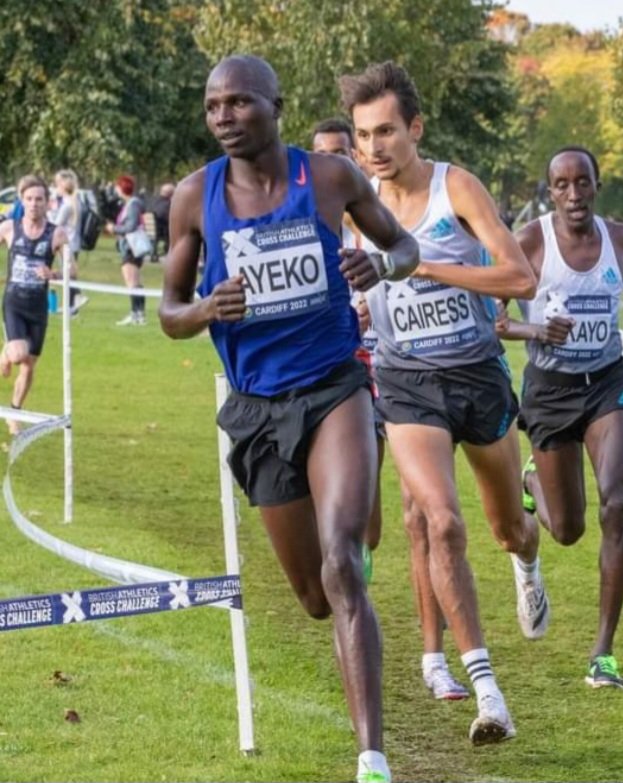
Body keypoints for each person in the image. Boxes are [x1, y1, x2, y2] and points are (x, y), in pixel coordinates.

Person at [159, 55, 421, 783]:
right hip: (256, 407)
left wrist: (382, 267)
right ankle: (344, 572)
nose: (224, 117)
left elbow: (404, 244)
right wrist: (208, 307)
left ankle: (372, 757)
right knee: (313, 595)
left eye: (240, 103)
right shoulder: (192, 198)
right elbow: (169, 311)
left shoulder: (330, 179)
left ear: (275, 104)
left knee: (341, 563)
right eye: (213, 106)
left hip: (334, 385)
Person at [342, 60, 544, 744]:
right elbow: (358, 288)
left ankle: (527, 557)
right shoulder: (353, 203)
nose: (375, 146)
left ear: (415, 128)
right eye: (364, 134)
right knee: (440, 520)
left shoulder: (455, 186)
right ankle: (487, 689)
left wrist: (418, 261)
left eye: (388, 131)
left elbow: (518, 276)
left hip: (477, 374)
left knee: (506, 528)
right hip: (406, 382)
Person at [497, 147, 623, 689]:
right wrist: (537, 332)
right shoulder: (531, 242)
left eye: (583, 183)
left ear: (597, 185)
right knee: (570, 530)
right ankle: (532, 478)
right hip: (550, 393)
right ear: (550, 190)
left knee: (617, 504)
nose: (574, 195)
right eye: (562, 185)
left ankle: (603, 653)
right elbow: (496, 320)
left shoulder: (622, 239)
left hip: (605, 384)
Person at [311, 117, 469, 701]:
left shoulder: (384, 222)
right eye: (322, 155)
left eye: (340, 155)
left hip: (405, 379)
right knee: (364, 529)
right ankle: (354, 600)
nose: (333, 166)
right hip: (346, 386)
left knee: (422, 516)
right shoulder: (315, 230)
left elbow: (424, 264)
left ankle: (434, 658)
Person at [0, 175, 69, 434]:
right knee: (18, 354)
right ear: (22, 201)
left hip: (38, 307)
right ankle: (6, 353)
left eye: (39, 199)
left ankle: (14, 411)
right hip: (14, 303)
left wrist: (53, 275)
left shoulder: (57, 233)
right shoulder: (9, 228)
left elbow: (72, 270)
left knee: (29, 365)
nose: (34, 204)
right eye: (29, 199)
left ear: (47, 202)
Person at [110, 175, 149, 326]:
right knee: (135, 281)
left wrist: (114, 228)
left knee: (132, 281)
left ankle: (136, 313)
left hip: (131, 247)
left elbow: (131, 226)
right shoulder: (131, 204)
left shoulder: (132, 205)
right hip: (129, 246)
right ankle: (139, 314)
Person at [51, 170, 88, 315]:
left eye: (57, 185)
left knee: (68, 274)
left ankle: (77, 297)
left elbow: (56, 223)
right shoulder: (77, 202)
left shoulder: (67, 205)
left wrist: (49, 212)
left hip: (67, 243)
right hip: (75, 242)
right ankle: (71, 306)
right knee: (69, 273)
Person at [151, 183, 175, 261]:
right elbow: (169, 219)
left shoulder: (154, 202)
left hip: (154, 230)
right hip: (163, 231)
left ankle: (155, 252)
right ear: (170, 194)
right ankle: (169, 251)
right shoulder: (169, 204)